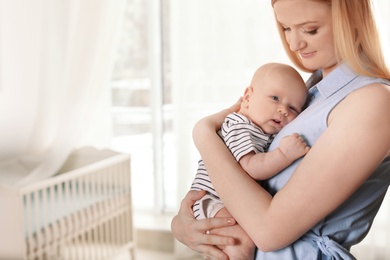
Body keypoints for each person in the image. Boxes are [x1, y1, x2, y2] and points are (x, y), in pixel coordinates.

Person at [171, 0, 390, 259]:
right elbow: (247, 183)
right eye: (286, 28)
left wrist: (204, 134)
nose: (294, 44)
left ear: (352, 19)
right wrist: (186, 224)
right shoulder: (312, 92)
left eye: (310, 30)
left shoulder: (372, 101)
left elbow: (269, 231)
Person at [191, 63, 309, 259]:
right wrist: (284, 154)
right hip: (211, 199)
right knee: (239, 243)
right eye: (275, 98)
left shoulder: (259, 131)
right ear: (247, 97)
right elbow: (251, 168)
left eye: (293, 108)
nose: (283, 110)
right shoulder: (240, 126)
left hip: (226, 200)